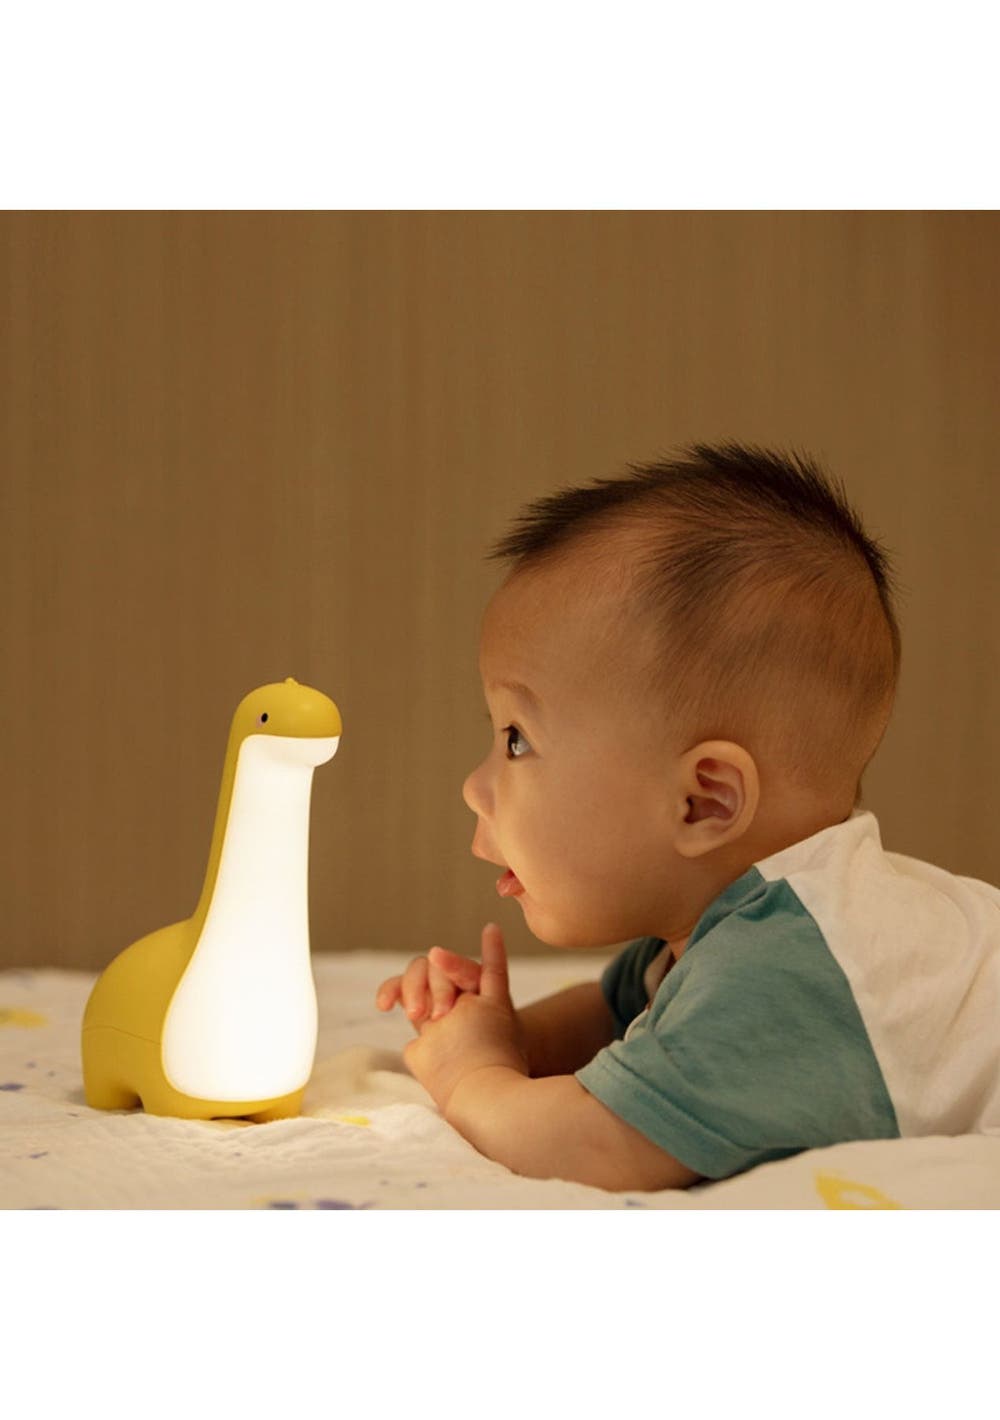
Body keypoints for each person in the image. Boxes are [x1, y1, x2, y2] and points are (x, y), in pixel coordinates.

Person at [375, 442, 1000, 1191]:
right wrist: (504, 1033)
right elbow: (614, 1019)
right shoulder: (727, 925)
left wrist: (470, 1076)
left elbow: (595, 1147)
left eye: (518, 740)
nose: (474, 787)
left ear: (705, 801)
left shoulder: (786, 974)